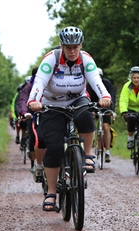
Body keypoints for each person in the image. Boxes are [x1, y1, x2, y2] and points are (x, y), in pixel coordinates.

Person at [28, 26, 111, 212]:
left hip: (77, 99)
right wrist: (34, 100)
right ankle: (51, 193)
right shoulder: (52, 59)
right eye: (68, 47)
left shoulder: (86, 59)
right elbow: (40, 81)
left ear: (80, 45)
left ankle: (88, 155)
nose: (72, 51)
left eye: (76, 47)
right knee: (55, 147)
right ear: (62, 46)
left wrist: (105, 96)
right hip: (51, 104)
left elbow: (95, 80)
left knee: (86, 117)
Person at [18, 67, 46, 180]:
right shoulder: (30, 86)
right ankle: (36, 164)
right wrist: (25, 113)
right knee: (35, 138)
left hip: (52, 113)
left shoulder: (51, 80)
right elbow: (23, 100)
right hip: (33, 115)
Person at [86, 67, 116, 163]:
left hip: (105, 107)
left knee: (106, 127)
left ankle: (107, 151)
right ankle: (90, 146)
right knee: (90, 126)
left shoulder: (107, 83)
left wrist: (112, 110)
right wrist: (90, 110)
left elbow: (112, 97)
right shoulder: (89, 85)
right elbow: (87, 97)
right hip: (93, 106)